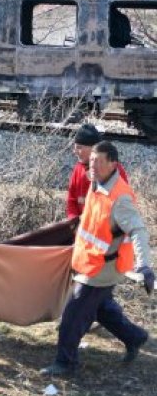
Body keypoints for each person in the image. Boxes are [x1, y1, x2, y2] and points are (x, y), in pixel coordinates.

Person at [41, 141, 155, 376]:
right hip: (91, 261)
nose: (92, 165)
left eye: (98, 161)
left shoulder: (119, 198)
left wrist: (144, 265)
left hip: (103, 268)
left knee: (72, 316)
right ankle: (135, 337)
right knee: (101, 307)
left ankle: (66, 363)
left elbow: (138, 231)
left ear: (113, 164)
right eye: (91, 160)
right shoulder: (97, 182)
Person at [67, 123, 128, 220]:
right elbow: (72, 199)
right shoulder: (78, 168)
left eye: (79, 147)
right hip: (84, 229)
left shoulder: (114, 169)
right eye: (74, 147)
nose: (74, 151)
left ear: (93, 148)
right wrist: (73, 220)